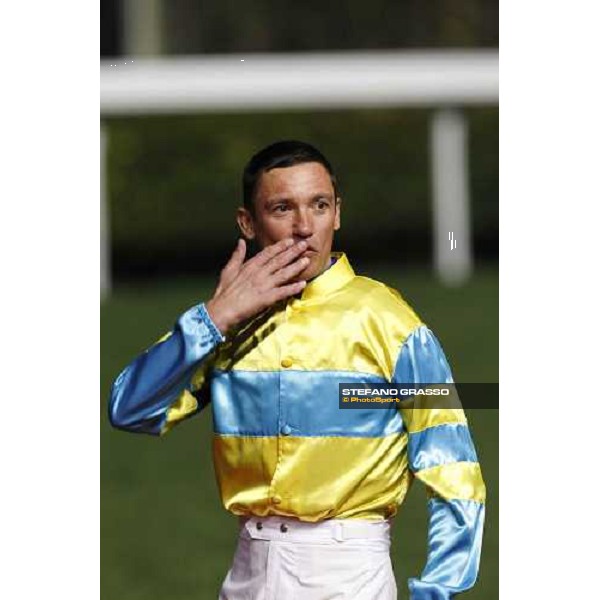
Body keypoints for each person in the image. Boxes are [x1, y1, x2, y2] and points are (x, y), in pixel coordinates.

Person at [109, 140, 486, 599]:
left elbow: (454, 469)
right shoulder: (223, 324)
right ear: (247, 223)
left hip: (349, 574)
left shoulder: (393, 321)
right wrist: (214, 319)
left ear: (338, 213)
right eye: (283, 208)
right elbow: (130, 409)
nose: (305, 226)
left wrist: (438, 590)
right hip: (247, 572)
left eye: (319, 205)